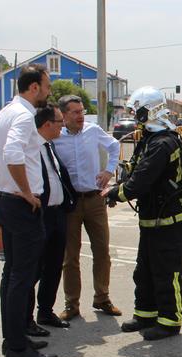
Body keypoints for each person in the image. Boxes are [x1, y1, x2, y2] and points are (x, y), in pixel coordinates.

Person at [0, 64, 57, 357]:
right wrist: (22, 190)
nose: (48, 90)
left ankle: (15, 340)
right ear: (33, 87)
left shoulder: (5, 114)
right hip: (20, 205)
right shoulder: (23, 115)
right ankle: (16, 347)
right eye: (46, 85)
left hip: (6, 201)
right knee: (22, 277)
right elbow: (11, 154)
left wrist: (2, 182)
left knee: (12, 275)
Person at [102, 86, 182, 341]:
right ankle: (145, 314)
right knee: (145, 269)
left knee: (167, 271)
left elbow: (142, 180)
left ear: (148, 110)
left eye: (136, 110)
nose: (134, 114)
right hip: (152, 216)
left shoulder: (164, 142)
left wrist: (115, 194)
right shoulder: (150, 139)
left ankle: (169, 321)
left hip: (170, 218)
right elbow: (136, 168)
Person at [53, 95, 121, 320]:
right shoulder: (55, 138)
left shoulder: (93, 131)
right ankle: (72, 304)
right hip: (70, 203)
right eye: (75, 112)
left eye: (82, 111)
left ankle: (102, 297)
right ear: (63, 115)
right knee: (70, 257)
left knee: (102, 251)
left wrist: (109, 170)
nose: (80, 116)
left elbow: (114, 146)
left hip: (94, 200)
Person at [26, 104, 76, 336]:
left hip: (58, 214)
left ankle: (45, 311)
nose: (63, 125)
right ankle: (25, 319)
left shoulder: (49, 146)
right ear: (47, 125)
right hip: (41, 216)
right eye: (59, 121)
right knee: (33, 268)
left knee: (54, 266)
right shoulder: (31, 147)